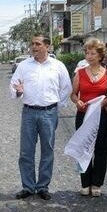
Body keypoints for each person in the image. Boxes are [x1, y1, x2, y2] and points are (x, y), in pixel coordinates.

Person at [10, 34, 72, 200]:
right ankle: (28, 186)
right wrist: (18, 91)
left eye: (37, 44)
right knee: (26, 151)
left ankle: (43, 186)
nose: (34, 47)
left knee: (48, 150)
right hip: (29, 112)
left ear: (47, 46)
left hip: (49, 113)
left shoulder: (58, 66)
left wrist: (56, 105)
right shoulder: (23, 66)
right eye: (32, 44)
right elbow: (14, 85)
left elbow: (66, 87)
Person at [70, 38, 107, 197]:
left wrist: (104, 102)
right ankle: (85, 182)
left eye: (93, 53)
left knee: (101, 149)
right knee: (83, 148)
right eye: (87, 53)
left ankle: (97, 183)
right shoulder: (80, 73)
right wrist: (78, 101)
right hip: (84, 116)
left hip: (102, 117)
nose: (89, 56)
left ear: (100, 55)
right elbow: (73, 94)